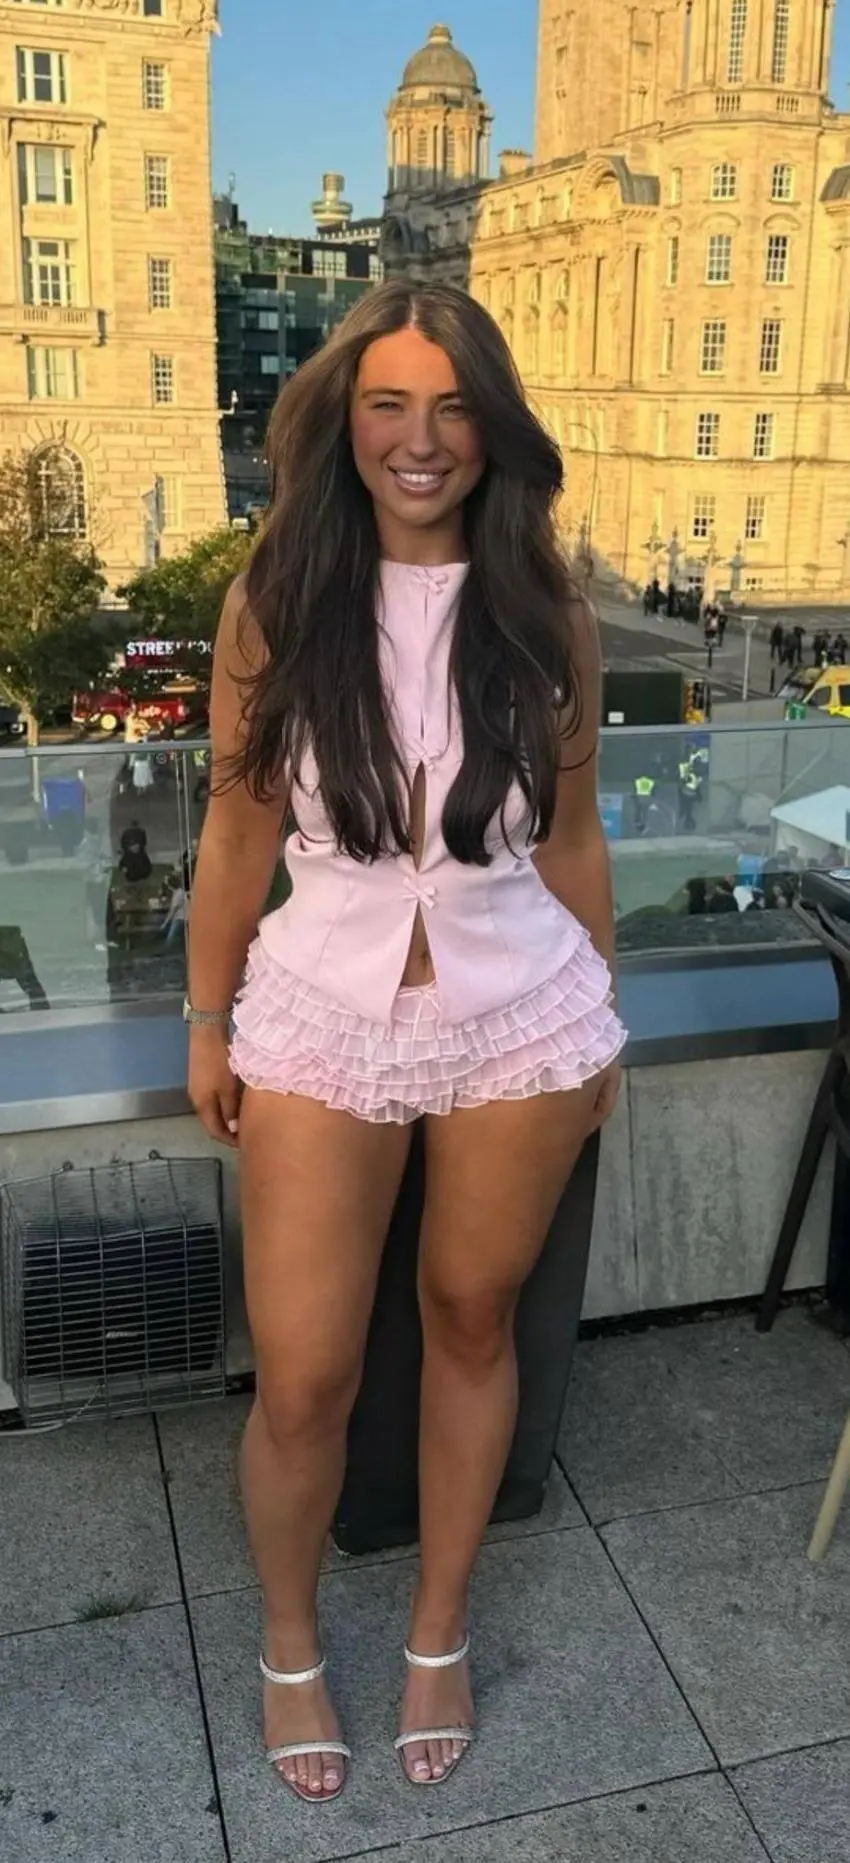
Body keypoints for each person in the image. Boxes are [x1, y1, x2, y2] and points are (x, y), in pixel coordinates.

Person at [186, 280, 625, 1804]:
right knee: (304, 1373)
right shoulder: (276, 601)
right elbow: (237, 833)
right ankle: (289, 1642)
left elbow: (571, 842)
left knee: (470, 1321)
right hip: (320, 1009)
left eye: (451, 407)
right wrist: (207, 1017)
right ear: (346, 422)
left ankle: (439, 1629)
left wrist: (602, 1015)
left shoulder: (548, 611)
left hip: (520, 1012)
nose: (419, 438)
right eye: (388, 404)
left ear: (493, 430)